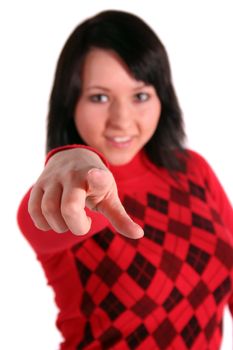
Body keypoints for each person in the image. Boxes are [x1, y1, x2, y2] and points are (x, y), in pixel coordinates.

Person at [17, 9, 233, 350]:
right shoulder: (63, 198)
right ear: (70, 104)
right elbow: (40, 215)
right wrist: (74, 159)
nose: (122, 119)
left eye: (140, 95)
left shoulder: (194, 170)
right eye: (99, 97)